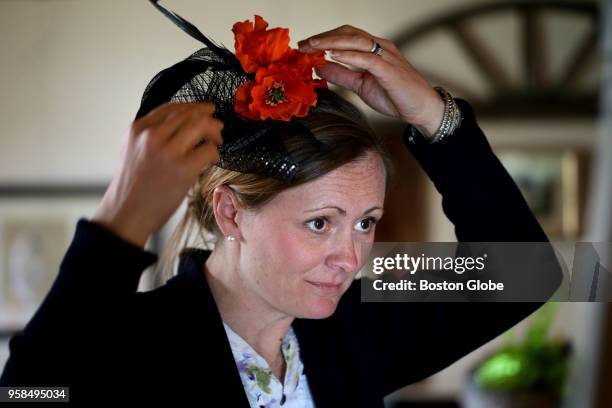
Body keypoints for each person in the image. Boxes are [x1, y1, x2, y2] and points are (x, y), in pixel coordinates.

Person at [0, 4, 562, 406]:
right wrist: (118, 227)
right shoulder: (135, 347)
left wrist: (439, 122)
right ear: (230, 213)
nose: (350, 257)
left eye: (366, 223)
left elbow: (526, 274)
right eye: (320, 223)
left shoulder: (357, 327)